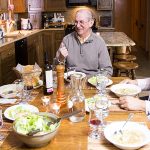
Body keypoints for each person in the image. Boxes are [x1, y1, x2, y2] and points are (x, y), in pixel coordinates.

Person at [56, 9, 113, 76]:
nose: (77, 25)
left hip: (92, 82)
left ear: (91, 23)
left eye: (81, 22)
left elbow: (107, 70)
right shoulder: (67, 40)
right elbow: (55, 68)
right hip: (72, 82)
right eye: (76, 22)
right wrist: (61, 58)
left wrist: (97, 80)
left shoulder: (99, 42)